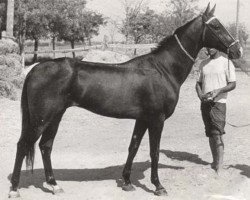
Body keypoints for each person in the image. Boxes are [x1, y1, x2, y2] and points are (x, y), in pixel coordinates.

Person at [195, 48, 236, 174]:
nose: (209, 49)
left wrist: (218, 91)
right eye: (207, 46)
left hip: (219, 103)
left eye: (212, 46)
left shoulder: (226, 62)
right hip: (205, 103)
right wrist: (201, 95)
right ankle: (214, 161)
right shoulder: (203, 63)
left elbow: (232, 84)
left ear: (217, 47)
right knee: (210, 134)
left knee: (218, 134)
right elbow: (198, 83)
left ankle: (219, 166)